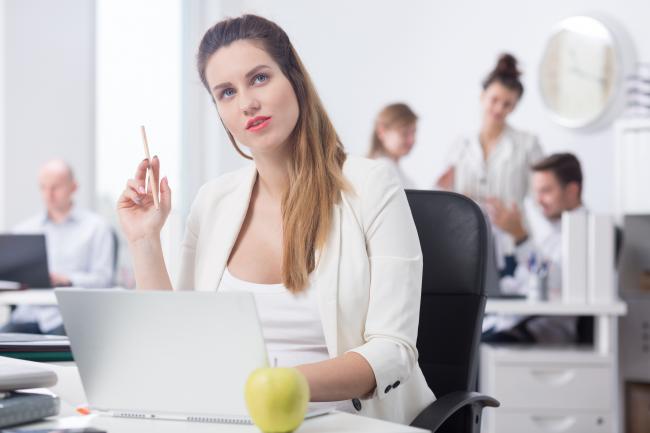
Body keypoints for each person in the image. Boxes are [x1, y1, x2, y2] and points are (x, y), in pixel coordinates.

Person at [117, 15, 434, 424]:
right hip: (232, 420)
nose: (247, 103)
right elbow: (175, 345)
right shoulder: (213, 201)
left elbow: (393, 350)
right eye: (227, 92)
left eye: (260, 78)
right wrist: (144, 239)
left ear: (294, 79)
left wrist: (277, 383)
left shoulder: (371, 186)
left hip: (345, 421)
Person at [436, 53, 544, 275]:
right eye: (494, 100)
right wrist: (446, 191)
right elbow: (443, 194)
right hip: (465, 245)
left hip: (510, 246)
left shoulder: (528, 144)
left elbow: (541, 195)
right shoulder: (460, 145)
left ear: (514, 107)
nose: (499, 108)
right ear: (482, 96)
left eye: (507, 104)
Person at [1, 159, 115, 335]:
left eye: (56, 187)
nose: (49, 194)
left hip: (68, 318)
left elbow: (104, 280)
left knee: (61, 340)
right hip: (28, 315)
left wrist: (68, 280)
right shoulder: (24, 229)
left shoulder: (97, 228)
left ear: (73, 187)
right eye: (43, 187)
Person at [482, 153, 584, 344]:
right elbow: (524, 281)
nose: (539, 200)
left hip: (543, 328)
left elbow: (553, 283)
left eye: (546, 191)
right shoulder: (550, 228)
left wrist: (521, 237)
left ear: (572, 190)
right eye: (536, 192)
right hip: (516, 320)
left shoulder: (586, 234)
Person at [368, 103, 417, 188]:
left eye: (413, 132)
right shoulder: (383, 168)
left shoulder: (393, 168)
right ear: (382, 131)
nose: (411, 140)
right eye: (404, 133)